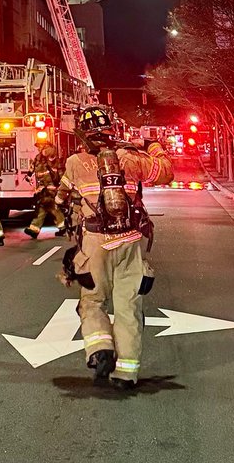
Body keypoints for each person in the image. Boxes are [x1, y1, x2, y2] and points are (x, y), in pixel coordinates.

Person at [55, 104, 173, 391]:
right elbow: (166, 172)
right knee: (127, 307)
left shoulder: (75, 162)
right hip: (129, 241)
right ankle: (126, 373)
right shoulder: (130, 159)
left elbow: (61, 198)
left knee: (93, 301)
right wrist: (154, 146)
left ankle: (100, 348)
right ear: (111, 130)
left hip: (95, 243)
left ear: (83, 135)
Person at [24, 141, 65, 238]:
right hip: (43, 188)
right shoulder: (38, 158)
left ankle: (63, 227)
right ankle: (34, 229)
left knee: (51, 207)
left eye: (39, 147)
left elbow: (59, 171)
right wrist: (28, 175)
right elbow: (32, 167)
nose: (38, 149)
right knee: (44, 207)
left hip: (50, 188)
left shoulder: (50, 156)